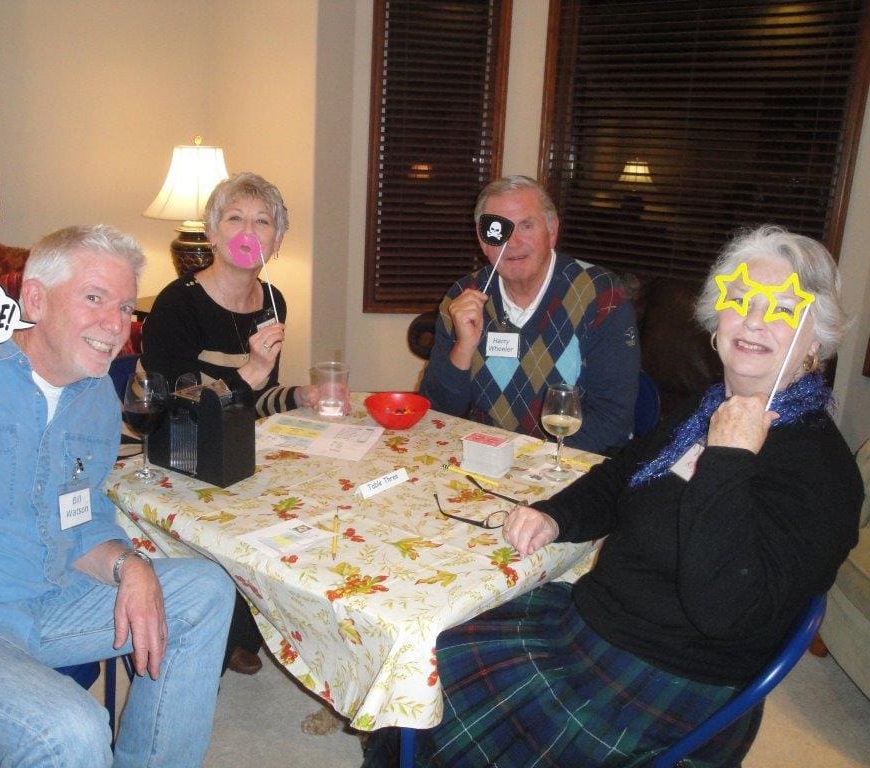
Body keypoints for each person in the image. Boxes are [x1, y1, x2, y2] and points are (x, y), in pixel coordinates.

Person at [364, 225, 863, 767]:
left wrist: (729, 460)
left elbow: (725, 612)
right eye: (740, 300)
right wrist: (556, 515)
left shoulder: (822, 471)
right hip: (594, 623)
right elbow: (625, 471)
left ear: (817, 341)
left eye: (784, 309)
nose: (755, 320)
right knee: (427, 649)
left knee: (433, 708)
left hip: (662, 682)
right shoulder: (707, 409)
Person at [0, 225, 234, 768]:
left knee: (206, 589)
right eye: (94, 298)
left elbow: (78, 523)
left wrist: (132, 566)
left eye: (125, 307)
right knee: (71, 730)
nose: (115, 325)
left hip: (42, 599)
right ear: (34, 299)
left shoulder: (95, 397)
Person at [141, 171, 319, 676]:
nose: (248, 230)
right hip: (179, 452)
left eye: (263, 222)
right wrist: (248, 373)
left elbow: (254, 402)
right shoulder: (177, 303)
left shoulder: (273, 300)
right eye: (235, 218)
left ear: (277, 242)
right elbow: (173, 410)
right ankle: (216, 634)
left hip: (238, 445)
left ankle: (250, 625)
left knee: (312, 494)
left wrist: (297, 395)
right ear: (213, 234)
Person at [419, 175, 639, 455]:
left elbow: (612, 420)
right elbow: (437, 412)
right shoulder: (463, 296)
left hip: (567, 463)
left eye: (526, 225)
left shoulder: (601, 296)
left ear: (552, 231)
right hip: (483, 457)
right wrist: (463, 348)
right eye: (499, 230)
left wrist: (532, 462)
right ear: (484, 241)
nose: (512, 242)